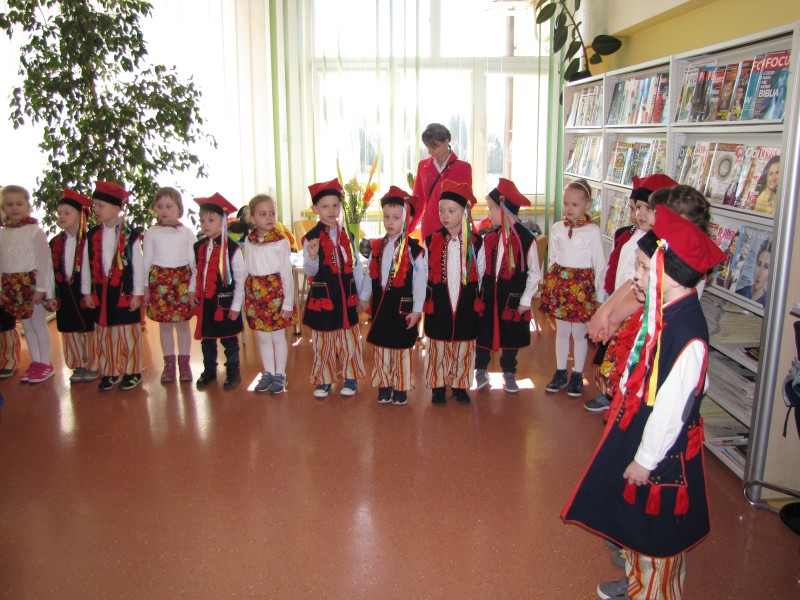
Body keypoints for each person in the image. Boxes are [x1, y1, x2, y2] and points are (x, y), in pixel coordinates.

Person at [561, 205, 727, 600]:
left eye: (643, 268)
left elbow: (672, 412)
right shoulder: (664, 308)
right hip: (640, 429)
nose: (635, 275)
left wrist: (645, 460)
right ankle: (636, 582)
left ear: (673, 274)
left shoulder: (687, 334)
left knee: (655, 533)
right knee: (635, 522)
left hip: (660, 454)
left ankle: (653, 592)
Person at [585, 174, 678, 413]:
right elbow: (630, 281)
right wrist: (606, 311)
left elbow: (641, 290)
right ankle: (615, 397)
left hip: (644, 319)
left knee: (634, 367)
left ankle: (622, 402)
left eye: (649, 208)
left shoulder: (663, 246)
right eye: (637, 208)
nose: (641, 214)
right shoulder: (638, 237)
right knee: (619, 361)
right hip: (626, 310)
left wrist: (610, 317)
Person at [358, 186, 427, 405]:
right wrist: (363, 297)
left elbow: (420, 283)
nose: (390, 222)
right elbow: (370, 274)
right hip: (381, 306)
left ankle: (400, 386)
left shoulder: (415, 251)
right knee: (381, 347)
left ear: (407, 220)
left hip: (403, 307)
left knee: (402, 348)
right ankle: (384, 384)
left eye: (396, 218)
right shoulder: (377, 246)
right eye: (387, 217)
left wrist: (417, 310)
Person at [539, 179, 606, 397]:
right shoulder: (557, 227)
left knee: (578, 333)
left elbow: (599, 264)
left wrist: (600, 296)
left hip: (581, 289)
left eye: (575, 204)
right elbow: (553, 257)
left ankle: (577, 375)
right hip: (560, 285)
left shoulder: (592, 231)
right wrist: (550, 284)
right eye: (566, 203)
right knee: (561, 331)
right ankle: (560, 372)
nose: (569, 208)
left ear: (587, 204)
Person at [475, 178, 540, 394]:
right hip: (489, 296)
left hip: (512, 299)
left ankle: (509, 371)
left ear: (504, 210)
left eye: (491, 209)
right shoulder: (489, 237)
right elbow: (480, 267)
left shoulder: (526, 240)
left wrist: (525, 300)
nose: (488, 214)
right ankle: (480, 369)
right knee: (484, 332)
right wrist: (477, 292)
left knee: (511, 334)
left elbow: (534, 273)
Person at [423, 179, 485, 405]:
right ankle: (438, 386)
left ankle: (459, 385)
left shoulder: (476, 243)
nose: (445, 215)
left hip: (465, 302)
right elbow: (424, 273)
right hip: (440, 301)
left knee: (464, 347)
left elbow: (481, 273)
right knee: (437, 346)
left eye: (451, 211)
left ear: (464, 212)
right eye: (441, 210)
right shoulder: (431, 240)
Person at [302, 178, 365, 399]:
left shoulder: (348, 235)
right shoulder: (310, 238)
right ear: (315, 209)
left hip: (346, 297)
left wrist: (361, 295)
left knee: (349, 339)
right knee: (323, 342)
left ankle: (351, 376)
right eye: (325, 206)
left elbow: (356, 265)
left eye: (335, 205)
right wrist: (312, 256)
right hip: (324, 298)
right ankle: (324, 378)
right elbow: (309, 271)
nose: (331, 210)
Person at [82, 181, 145, 391]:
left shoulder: (131, 236)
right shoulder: (91, 235)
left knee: (128, 334)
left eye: (100, 206)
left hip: (124, 293)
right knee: (104, 334)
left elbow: (138, 267)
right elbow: (86, 266)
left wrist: (137, 294)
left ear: (116, 208)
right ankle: (109, 371)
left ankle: (133, 371)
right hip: (101, 294)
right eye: (95, 205)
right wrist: (87, 292)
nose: (96, 210)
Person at [0, 185, 55, 383]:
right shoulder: (3, 233)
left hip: (30, 285)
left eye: (19, 204)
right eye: (9, 204)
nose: (14, 208)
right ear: (3, 208)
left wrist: (41, 289)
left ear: (28, 206)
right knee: (27, 327)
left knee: (38, 325)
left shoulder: (35, 232)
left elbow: (43, 263)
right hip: (12, 287)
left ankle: (46, 364)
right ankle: (36, 362)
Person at [142, 187, 197, 383]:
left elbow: (194, 264)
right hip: (160, 284)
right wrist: (144, 287)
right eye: (160, 206)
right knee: (165, 327)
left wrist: (192, 288)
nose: (164, 210)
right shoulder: (151, 233)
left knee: (182, 325)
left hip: (181, 283)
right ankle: (169, 365)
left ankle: (185, 364)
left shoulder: (187, 233)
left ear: (179, 209)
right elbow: (146, 262)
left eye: (169, 206)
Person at [192, 193, 245, 390]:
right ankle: (209, 371)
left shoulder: (233, 249)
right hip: (207, 303)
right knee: (207, 340)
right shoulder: (199, 246)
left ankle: (233, 372)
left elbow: (240, 280)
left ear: (223, 221)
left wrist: (236, 306)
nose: (205, 224)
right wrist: (192, 291)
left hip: (225, 304)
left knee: (229, 341)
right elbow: (195, 271)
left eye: (211, 220)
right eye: (202, 220)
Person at [46, 189, 99, 383]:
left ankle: (93, 364)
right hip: (64, 291)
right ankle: (78, 364)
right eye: (59, 213)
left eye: (67, 212)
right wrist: (51, 295)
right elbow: (49, 271)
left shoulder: (90, 240)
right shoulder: (55, 242)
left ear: (80, 215)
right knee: (69, 330)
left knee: (89, 329)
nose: (62, 216)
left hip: (84, 291)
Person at [243, 194, 295, 394]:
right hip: (256, 296)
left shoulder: (281, 242)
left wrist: (288, 304)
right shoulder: (249, 241)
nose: (269, 218)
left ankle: (280, 374)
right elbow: (247, 268)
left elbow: (286, 274)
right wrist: (245, 297)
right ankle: (269, 372)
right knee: (263, 338)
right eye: (263, 214)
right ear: (253, 218)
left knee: (278, 337)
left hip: (275, 296)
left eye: (272, 213)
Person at [410, 123, 473, 239]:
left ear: (446, 142)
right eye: (427, 147)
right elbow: (418, 201)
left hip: (454, 230)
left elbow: (468, 203)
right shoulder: (423, 166)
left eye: (434, 147)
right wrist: (408, 228)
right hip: (430, 229)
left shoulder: (463, 168)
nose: (430, 152)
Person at [736, 239, 770, 306]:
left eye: (766, 267)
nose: (760, 273)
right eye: (759, 264)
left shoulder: (767, 305)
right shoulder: (740, 293)